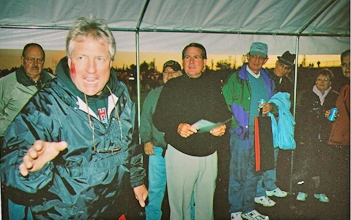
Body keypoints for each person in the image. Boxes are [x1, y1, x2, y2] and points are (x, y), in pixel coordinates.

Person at [0, 16, 147, 219]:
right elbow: (12, 158)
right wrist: (31, 171)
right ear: (70, 62)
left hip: (114, 208)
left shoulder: (120, 94)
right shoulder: (48, 104)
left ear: (111, 62)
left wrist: (137, 180)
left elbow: (132, 144)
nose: (91, 69)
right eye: (81, 58)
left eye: (99, 58)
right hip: (66, 214)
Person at [152, 42, 230, 220]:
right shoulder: (172, 86)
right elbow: (158, 118)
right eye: (187, 57)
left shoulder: (212, 86)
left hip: (209, 156)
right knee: (179, 209)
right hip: (181, 154)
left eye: (196, 57)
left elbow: (224, 115)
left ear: (204, 61)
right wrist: (176, 126)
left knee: (206, 208)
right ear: (183, 61)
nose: (191, 61)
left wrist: (220, 127)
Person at [222, 42, 276, 220]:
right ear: (248, 56)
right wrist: (235, 127)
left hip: (262, 130)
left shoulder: (268, 80)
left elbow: (276, 103)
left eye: (261, 57)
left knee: (255, 171)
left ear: (266, 60)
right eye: (254, 56)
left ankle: (248, 208)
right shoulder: (236, 78)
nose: (257, 60)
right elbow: (224, 105)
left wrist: (272, 106)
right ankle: (235, 210)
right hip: (242, 133)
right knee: (238, 171)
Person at [140, 60, 182, 220]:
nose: (169, 75)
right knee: (155, 190)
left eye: (173, 72)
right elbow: (145, 119)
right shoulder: (153, 95)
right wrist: (146, 140)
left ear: (180, 75)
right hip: (158, 150)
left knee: (183, 191)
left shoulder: (186, 95)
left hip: (181, 152)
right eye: (166, 72)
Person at [254, 51, 296, 207]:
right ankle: (258, 190)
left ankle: (270, 186)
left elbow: (286, 103)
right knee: (262, 156)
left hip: (278, 123)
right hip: (264, 122)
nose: (283, 69)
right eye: (281, 65)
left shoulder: (287, 82)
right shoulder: (265, 77)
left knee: (274, 155)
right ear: (276, 63)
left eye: (287, 68)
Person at [295, 68, 339, 203]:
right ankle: (304, 190)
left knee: (324, 164)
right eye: (320, 79)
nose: (322, 82)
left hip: (327, 135)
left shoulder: (335, 96)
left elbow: (340, 115)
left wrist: (332, 115)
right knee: (306, 163)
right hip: (309, 135)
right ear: (315, 80)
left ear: (330, 82)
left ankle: (320, 191)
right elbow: (301, 116)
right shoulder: (307, 95)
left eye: (325, 80)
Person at [0, 43, 55, 137]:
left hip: (44, 142)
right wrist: (10, 134)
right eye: (30, 59)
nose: (35, 64)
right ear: (22, 60)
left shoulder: (54, 83)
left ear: (43, 62)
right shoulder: (6, 83)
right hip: (15, 143)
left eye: (39, 60)